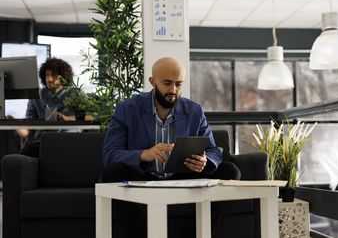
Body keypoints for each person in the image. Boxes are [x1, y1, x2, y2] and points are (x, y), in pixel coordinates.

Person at [102, 57, 240, 182]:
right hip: (143, 176)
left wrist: (205, 160)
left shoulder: (194, 111)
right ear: (153, 81)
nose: (173, 90)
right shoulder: (127, 109)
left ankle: (193, 209)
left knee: (230, 171)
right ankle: (154, 209)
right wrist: (143, 154)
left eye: (178, 84)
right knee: (112, 172)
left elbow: (213, 151)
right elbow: (110, 154)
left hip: (182, 177)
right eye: (167, 83)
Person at [15, 57, 81, 157]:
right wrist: (16, 124)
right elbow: (28, 132)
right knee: (14, 161)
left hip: (67, 141)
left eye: (54, 75)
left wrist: (67, 118)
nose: (49, 79)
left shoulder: (75, 95)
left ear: (63, 77)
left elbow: (90, 117)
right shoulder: (37, 95)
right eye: (47, 75)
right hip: (41, 143)